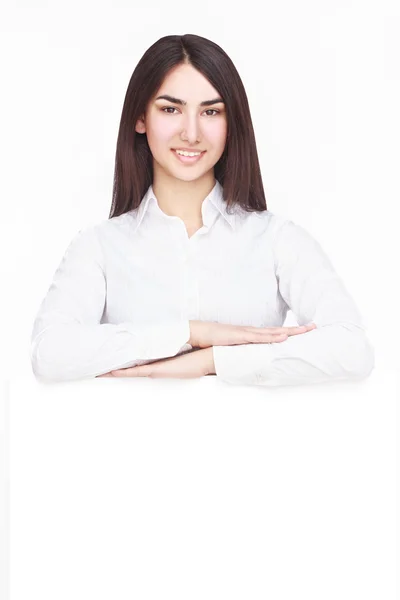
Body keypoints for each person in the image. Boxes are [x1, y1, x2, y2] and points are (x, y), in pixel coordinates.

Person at [30, 33, 375, 385]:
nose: (191, 133)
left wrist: (213, 360)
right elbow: (50, 354)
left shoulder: (277, 240)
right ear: (140, 118)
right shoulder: (99, 247)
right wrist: (191, 333)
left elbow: (352, 349)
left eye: (211, 111)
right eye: (170, 109)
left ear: (231, 124)